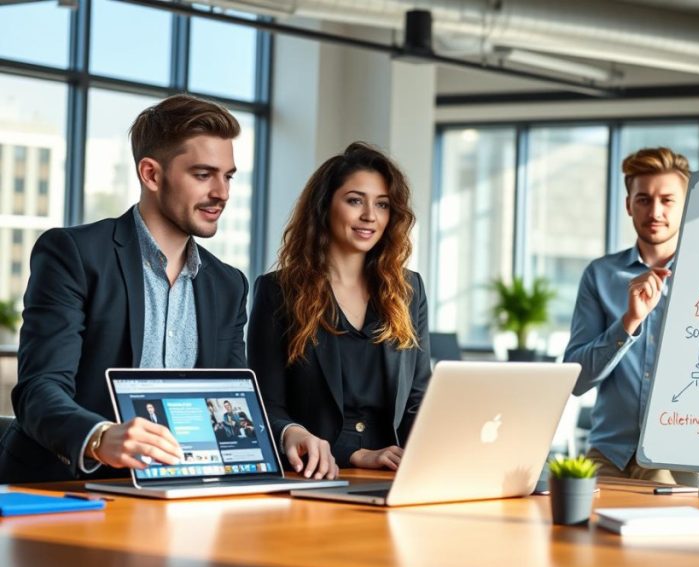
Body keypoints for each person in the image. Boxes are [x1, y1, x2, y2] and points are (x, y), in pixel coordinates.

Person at [0, 95, 249, 483]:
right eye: (203, 175)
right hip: (62, 487)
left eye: (228, 176)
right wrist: (100, 437)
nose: (222, 193)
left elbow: (233, 402)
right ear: (151, 174)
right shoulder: (74, 254)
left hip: (179, 488)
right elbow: (39, 390)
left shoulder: (228, 284)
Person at [248, 142, 431, 480]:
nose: (370, 216)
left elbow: (418, 399)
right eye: (354, 200)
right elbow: (264, 406)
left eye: (382, 205)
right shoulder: (279, 291)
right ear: (324, 206)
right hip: (317, 475)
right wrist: (357, 454)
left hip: (395, 474)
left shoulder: (408, 291)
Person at [563, 146, 697, 484]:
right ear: (628, 205)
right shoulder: (600, 275)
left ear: (687, 205)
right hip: (609, 453)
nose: (655, 211)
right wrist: (629, 322)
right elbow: (577, 380)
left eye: (667, 200)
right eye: (643, 199)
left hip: (679, 454)